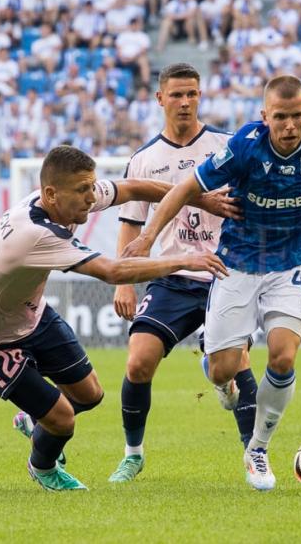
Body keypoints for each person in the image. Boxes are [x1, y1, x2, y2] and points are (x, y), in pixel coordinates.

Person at [122, 75, 301, 491]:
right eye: (280, 117)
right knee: (223, 367)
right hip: (236, 264)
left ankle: (257, 449)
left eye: (297, 116)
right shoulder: (244, 146)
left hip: (290, 264)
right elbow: (186, 187)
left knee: (282, 356)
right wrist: (147, 238)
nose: (290, 125)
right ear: (265, 116)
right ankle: (217, 373)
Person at [0, 145, 232, 491]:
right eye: (82, 191)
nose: (90, 197)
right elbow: (112, 271)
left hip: (28, 313)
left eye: (92, 187)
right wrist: (185, 260)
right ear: (51, 194)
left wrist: (199, 200)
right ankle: (43, 466)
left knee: (90, 394)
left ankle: (33, 421)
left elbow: (133, 187)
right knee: (63, 420)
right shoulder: (36, 234)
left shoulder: (62, 198)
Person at [106, 63, 258, 483]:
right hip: (170, 278)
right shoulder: (144, 160)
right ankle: (133, 454)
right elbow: (131, 227)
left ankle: (254, 457)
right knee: (138, 362)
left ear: (201, 95)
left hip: (224, 275)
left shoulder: (226, 146)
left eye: (192, 93)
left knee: (235, 363)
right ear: (160, 99)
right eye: (176, 95)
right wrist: (124, 281)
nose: (185, 101)